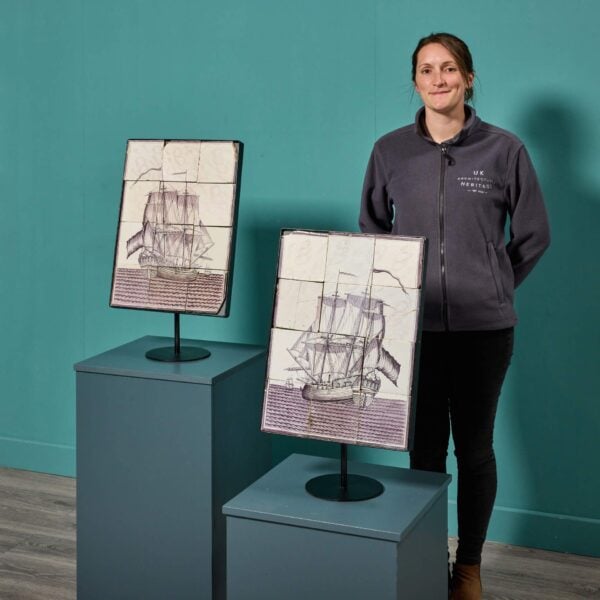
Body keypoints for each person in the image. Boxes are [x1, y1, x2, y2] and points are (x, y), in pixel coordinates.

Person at [359, 33, 550, 600]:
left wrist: (494, 284)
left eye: (448, 69)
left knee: (474, 449)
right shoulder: (390, 151)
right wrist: (398, 294)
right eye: (426, 70)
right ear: (415, 81)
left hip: (483, 331)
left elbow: (534, 234)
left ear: (468, 78)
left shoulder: (504, 150)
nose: (437, 79)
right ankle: (426, 557)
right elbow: (373, 229)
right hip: (413, 331)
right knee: (422, 450)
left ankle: (468, 568)